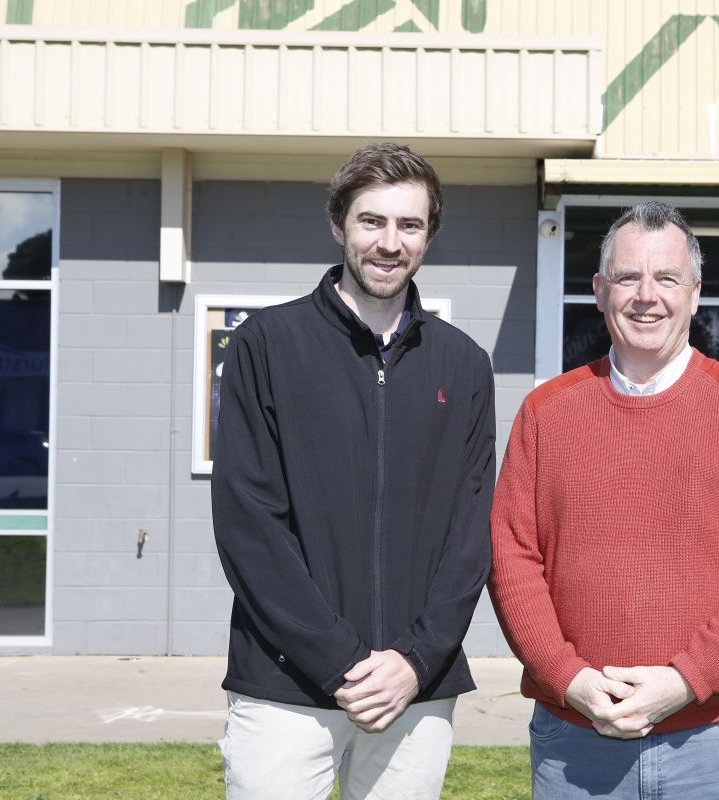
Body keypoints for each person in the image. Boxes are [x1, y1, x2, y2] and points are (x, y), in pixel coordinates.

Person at [488, 201, 719, 799]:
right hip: (574, 738)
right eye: (628, 277)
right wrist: (569, 679)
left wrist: (687, 680)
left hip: (714, 741)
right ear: (599, 290)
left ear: (694, 294)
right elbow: (512, 560)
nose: (646, 295)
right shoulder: (545, 414)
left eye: (666, 278)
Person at [211, 142, 496, 800]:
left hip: (415, 688)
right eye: (372, 221)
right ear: (338, 225)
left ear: (429, 236)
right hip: (285, 686)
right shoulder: (267, 344)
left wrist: (414, 660)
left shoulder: (463, 364)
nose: (389, 243)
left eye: (409, 225)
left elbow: (470, 532)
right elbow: (248, 524)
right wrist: (340, 658)